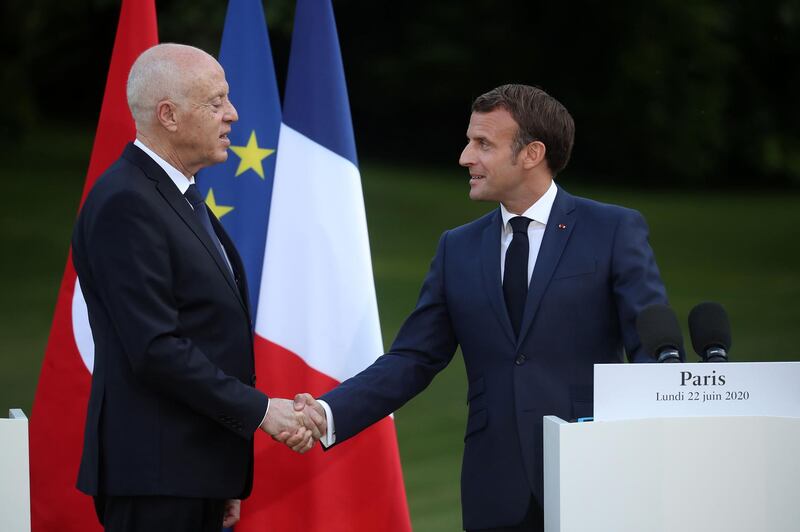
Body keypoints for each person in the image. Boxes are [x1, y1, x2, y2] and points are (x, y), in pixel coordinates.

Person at [285, 84, 670, 531]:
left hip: (598, 475)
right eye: (470, 141)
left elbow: (652, 350)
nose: (465, 157)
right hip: (495, 484)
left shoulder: (612, 229)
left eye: (483, 144)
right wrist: (326, 413)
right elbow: (413, 358)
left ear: (532, 154)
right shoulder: (457, 248)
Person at [72, 43, 324, 532]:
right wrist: (260, 412)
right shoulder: (127, 203)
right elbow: (155, 348)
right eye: (216, 102)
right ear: (168, 115)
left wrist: (221, 474)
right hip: (155, 481)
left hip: (192, 476)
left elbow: (207, 333)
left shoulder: (177, 195)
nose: (232, 114)